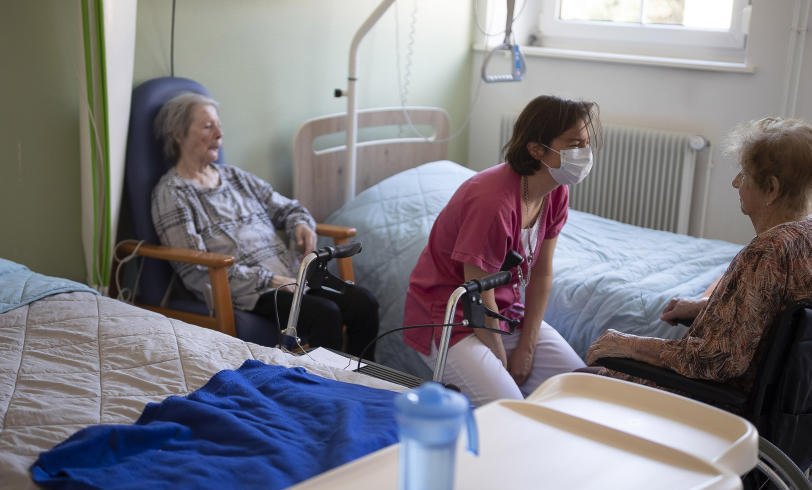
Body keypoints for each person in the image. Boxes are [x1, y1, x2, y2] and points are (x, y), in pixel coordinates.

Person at [587, 116, 812, 395]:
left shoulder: (766, 252)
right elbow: (769, 315)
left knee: (583, 378)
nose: (736, 182)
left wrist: (629, 344)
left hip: (716, 399)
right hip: (781, 392)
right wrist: (704, 307)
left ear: (771, 189)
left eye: (744, 173)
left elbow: (717, 361)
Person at [403, 95, 601, 405]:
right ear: (536, 149)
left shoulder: (556, 191)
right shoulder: (492, 203)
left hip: (505, 312)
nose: (584, 153)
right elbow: (478, 294)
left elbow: (542, 271)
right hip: (449, 316)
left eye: (586, 143)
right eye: (574, 143)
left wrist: (528, 347)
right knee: (508, 410)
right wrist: (500, 360)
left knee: (583, 393)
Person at [151, 92, 379, 357]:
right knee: (325, 314)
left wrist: (302, 224)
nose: (219, 134)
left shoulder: (235, 177)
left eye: (219, 125)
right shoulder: (172, 193)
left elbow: (288, 208)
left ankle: (364, 381)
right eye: (207, 126)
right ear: (178, 134)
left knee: (364, 303)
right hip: (247, 290)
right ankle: (323, 389)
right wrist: (271, 280)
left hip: (289, 277)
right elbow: (196, 269)